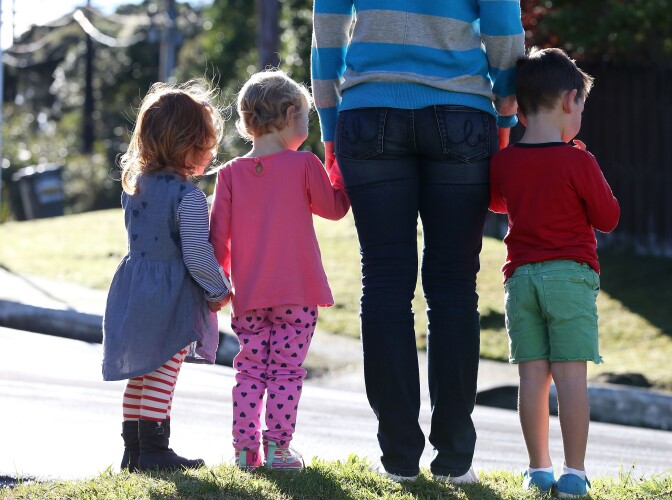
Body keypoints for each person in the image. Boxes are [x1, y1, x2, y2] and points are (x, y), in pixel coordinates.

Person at [311, 1, 524, 483]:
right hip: (462, 116)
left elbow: (327, 28)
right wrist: (506, 115)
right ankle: (453, 459)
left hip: (367, 115)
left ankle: (400, 458)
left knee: (384, 281)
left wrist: (329, 125)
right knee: (453, 288)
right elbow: (505, 31)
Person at [489, 47, 620, 497]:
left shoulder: (505, 161)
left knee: (532, 378)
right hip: (569, 278)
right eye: (582, 102)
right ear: (569, 101)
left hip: (520, 279)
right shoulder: (577, 160)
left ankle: (538, 469)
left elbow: (498, 203)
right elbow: (608, 216)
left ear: (520, 109)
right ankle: (575, 472)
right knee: (571, 378)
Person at [209, 69, 350, 470]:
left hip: (249, 297)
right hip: (297, 295)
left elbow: (217, 242)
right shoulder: (305, 164)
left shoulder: (230, 173)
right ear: (290, 114)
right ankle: (278, 449)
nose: (306, 126)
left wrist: (215, 290)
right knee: (286, 371)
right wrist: (336, 164)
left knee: (250, 369)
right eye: (305, 118)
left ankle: (243, 450)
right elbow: (334, 208)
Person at [102, 80, 232, 472]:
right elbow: (196, 253)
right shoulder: (188, 198)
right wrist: (219, 288)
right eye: (207, 143)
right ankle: (156, 452)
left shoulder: (135, 187)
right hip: (169, 295)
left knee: (141, 374)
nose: (212, 152)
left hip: (132, 289)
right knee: (164, 371)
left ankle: (136, 451)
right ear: (186, 145)